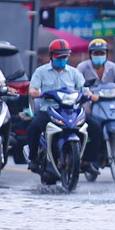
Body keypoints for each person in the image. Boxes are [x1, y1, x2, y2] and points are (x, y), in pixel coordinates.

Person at [27, 39, 102, 175]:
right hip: (49, 110)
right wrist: (38, 93)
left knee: (96, 127)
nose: (62, 59)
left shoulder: (74, 73)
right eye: (59, 57)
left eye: (65, 57)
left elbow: (84, 88)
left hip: (72, 110)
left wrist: (91, 95)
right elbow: (32, 89)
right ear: (51, 56)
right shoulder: (41, 71)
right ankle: (33, 158)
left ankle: (87, 161)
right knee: (33, 128)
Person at [76, 38, 115, 151]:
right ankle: (86, 149)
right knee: (85, 115)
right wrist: (87, 93)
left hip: (111, 100)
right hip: (91, 101)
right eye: (96, 53)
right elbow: (77, 84)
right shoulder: (82, 67)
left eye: (102, 53)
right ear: (90, 55)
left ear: (106, 54)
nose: (99, 56)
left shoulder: (113, 67)